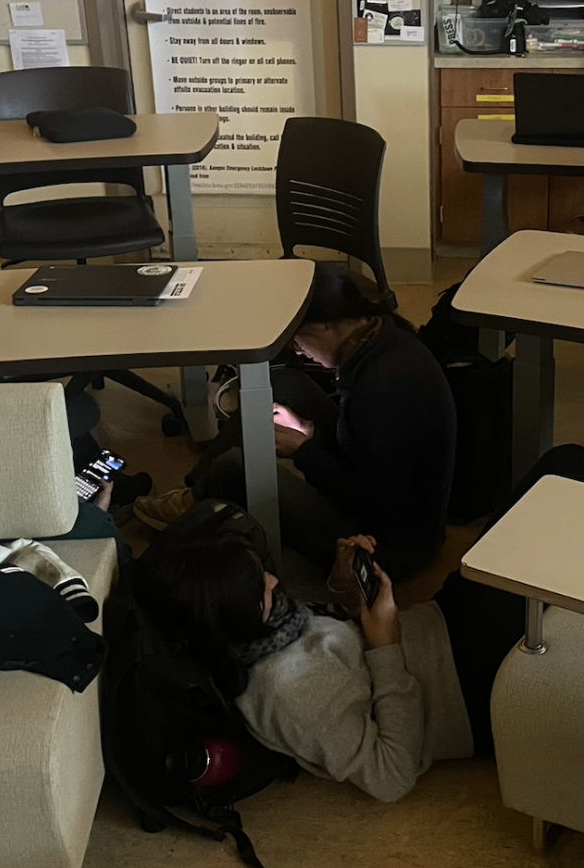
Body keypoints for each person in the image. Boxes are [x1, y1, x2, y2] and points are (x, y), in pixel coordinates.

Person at [133, 530, 530, 804]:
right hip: (462, 692)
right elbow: (392, 776)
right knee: (546, 556)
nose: (272, 579)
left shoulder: (265, 630)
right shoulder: (288, 691)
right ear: (233, 618)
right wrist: (385, 644)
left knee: (553, 477)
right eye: (260, 587)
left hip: (437, 627)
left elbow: (332, 646)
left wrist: (341, 582)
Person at [134, 264, 458, 579]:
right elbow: (366, 448)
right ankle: (198, 492)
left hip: (387, 544)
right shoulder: (383, 336)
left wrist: (304, 450)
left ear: (327, 326)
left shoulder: (381, 387)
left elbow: (377, 502)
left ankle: (203, 496)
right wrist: (310, 431)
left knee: (235, 466)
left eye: (298, 340)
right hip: (387, 499)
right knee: (283, 383)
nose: (299, 351)